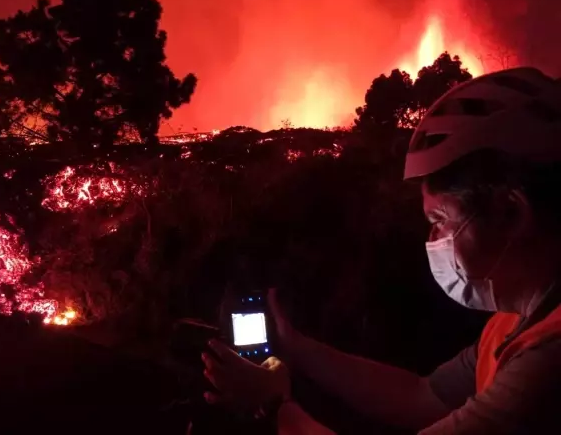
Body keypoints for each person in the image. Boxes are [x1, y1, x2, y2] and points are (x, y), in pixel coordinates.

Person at [201, 66, 561, 434]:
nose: (433, 237)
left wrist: (275, 405)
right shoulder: (512, 323)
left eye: (441, 218)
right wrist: (297, 348)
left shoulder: (549, 361)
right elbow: (422, 397)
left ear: (510, 212)